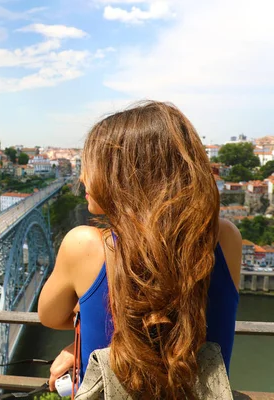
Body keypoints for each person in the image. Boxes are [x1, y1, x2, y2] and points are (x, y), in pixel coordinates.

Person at [38, 101, 242, 400]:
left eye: (91, 167)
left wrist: (90, 329)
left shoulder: (85, 245)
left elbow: (51, 316)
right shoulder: (225, 238)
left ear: (123, 177)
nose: (83, 179)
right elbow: (176, 330)